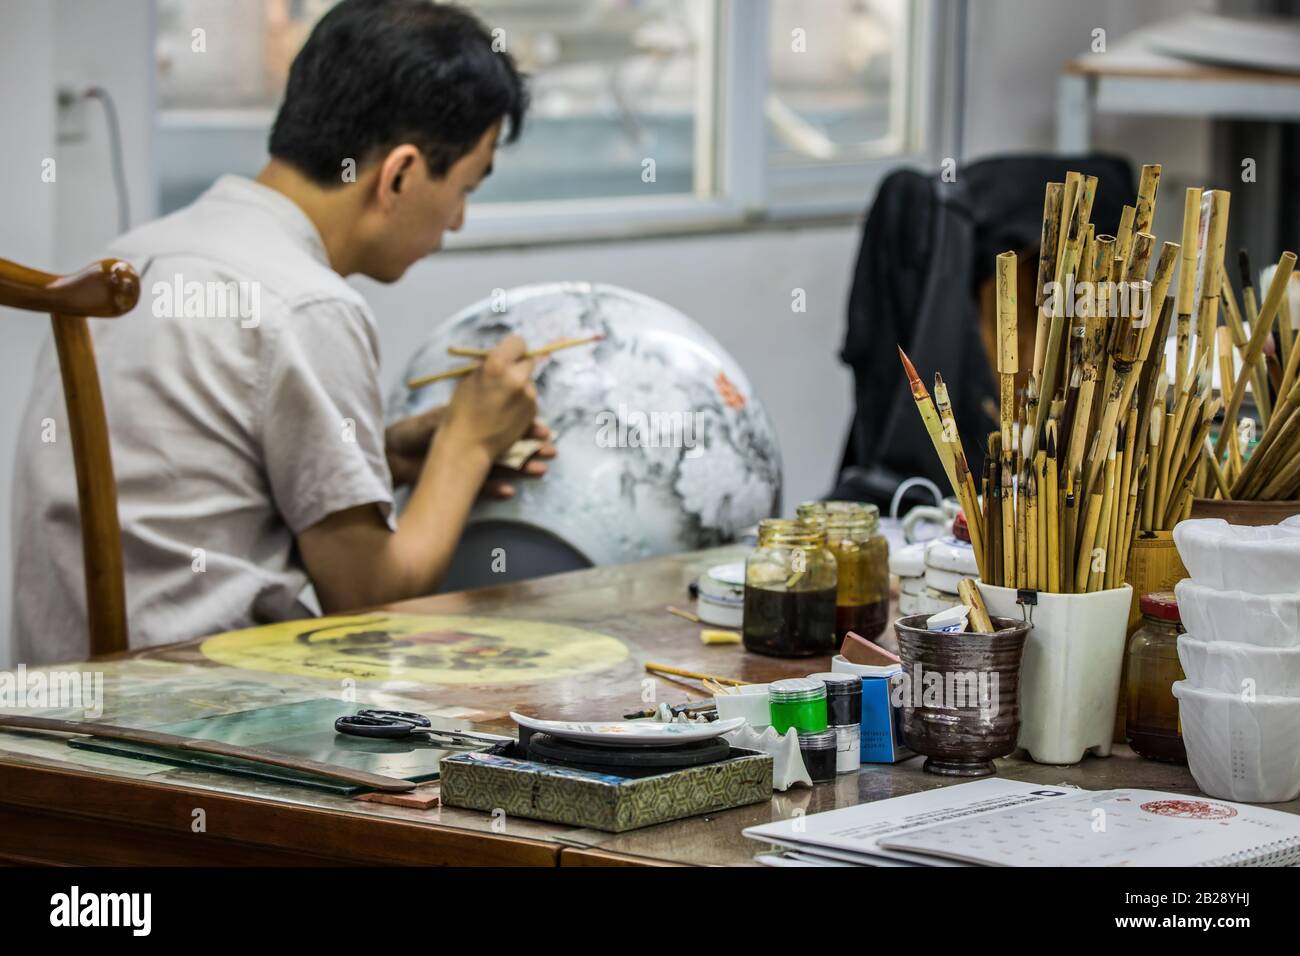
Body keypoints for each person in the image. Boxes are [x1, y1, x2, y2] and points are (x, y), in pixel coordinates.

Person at [12, 0, 551, 664]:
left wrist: (382, 454)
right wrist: (467, 444)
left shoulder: (132, 259)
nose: (458, 222)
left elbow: (198, 485)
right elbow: (369, 599)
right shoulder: (305, 306)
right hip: (193, 731)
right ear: (402, 173)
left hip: (49, 719)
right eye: (465, 188)